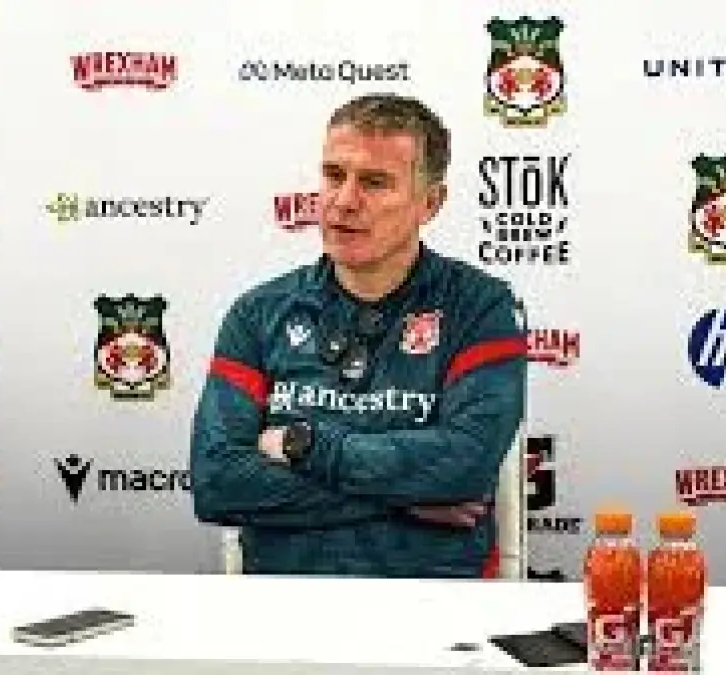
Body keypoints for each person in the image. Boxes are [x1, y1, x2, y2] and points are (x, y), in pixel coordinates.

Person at [189, 93, 527, 577]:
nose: (344, 201)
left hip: (438, 603)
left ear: (430, 203)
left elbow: (465, 468)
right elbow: (217, 482)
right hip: (282, 601)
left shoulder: (481, 307)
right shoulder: (259, 313)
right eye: (334, 175)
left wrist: (304, 447)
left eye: (374, 182)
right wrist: (403, 497)